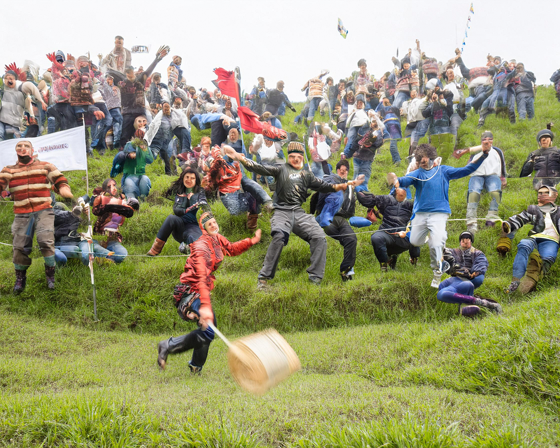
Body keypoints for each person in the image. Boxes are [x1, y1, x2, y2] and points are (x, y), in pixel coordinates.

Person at [224, 142, 359, 287]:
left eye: (298, 157)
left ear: (302, 158)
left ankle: (315, 279)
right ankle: (263, 279)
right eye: (292, 156)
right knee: (279, 237)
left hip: (300, 213)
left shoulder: (307, 175)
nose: (295, 159)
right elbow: (259, 168)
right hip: (281, 211)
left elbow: (325, 186)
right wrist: (239, 157)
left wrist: (344, 185)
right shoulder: (280, 169)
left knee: (319, 237)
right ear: (288, 157)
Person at [156, 212, 261, 373]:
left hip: (200, 290)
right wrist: (204, 306)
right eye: (209, 224)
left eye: (214, 222)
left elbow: (231, 248)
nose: (213, 225)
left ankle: (195, 366)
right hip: (190, 291)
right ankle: (169, 345)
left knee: (208, 329)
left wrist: (251, 241)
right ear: (203, 228)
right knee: (209, 329)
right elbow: (200, 277)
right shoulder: (201, 247)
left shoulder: (217, 239)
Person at [390, 143, 490, 287]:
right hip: (420, 214)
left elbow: (467, 169)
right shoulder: (418, 173)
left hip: (439, 213)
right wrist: (397, 181)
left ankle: (438, 270)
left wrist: (483, 155)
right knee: (415, 241)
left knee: (436, 243)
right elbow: (406, 180)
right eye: (420, 161)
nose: (423, 163)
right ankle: (435, 236)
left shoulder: (444, 171)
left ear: (431, 157)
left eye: (424, 160)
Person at [0, 140, 73, 292]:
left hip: (43, 210)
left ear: (32, 151)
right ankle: (20, 279)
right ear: (16, 151)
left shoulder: (45, 166)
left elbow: (59, 179)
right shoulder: (9, 170)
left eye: (26, 146)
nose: (22, 148)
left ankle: (50, 276)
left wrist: (64, 189)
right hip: (21, 213)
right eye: (19, 146)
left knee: (45, 240)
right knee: (19, 246)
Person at [502, 185, 560, 294]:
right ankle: (515, 281)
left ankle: (534, 279)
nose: (541, 195)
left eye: (545, 193)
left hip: (551, 240)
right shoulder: (533, 209)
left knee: (548, 258)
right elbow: (520, 218)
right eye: (539, 192)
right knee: (523, 244)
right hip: (534, 237)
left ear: (553, 196)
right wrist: (508, 225)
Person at [314, 159, 364, 281]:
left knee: (351, 239)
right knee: (343, 237)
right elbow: (326, 183)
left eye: (345, 171)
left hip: (341, 218)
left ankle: (346, 272)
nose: (343, 173)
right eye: (341, 171)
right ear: (337, 171)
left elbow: (353, 206)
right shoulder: (330, 179)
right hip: (327, 215)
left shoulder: (351, 187)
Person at [205, 146, 272, 230]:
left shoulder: (232, 160)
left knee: (251, 187)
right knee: (236, 211)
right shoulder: (217, 162)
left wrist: (238, 157)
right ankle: (255, 209)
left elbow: (234, 157)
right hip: (228, 190)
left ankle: (259, 210)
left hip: (236, 178)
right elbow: (212, 168)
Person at [116, 45, 169, 149]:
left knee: (144, 131)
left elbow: (148, 71)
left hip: (140, 111)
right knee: (126, 133)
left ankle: (144, 149)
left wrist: (157, 59)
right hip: (127, 112)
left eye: (132, 73)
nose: (130, 76)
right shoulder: (122, 83)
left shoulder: (140, 81)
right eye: (128, 74)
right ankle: (124, 150)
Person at [437, 231, 501, 316]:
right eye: (463, 239)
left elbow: (481, 265)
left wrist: (471, 273)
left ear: (471, 240)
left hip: (465, 282)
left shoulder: (477, 253)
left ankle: (474, 303)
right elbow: (445, 258)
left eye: (467, 238)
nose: (465, 241)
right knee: (441, 292)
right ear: (460, 241)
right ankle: (476, 301)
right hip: (452, 281)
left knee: (442, 294)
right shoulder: (453, 252)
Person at [455, 131, 507, 233]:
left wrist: (503, 177)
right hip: (477, 175)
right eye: (485, 139)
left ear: (493, 140)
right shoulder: (476, 150)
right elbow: (469, 163)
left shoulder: (497, 151)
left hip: (492, 175)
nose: (487, 141)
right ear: (481, 140)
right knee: (473, 193)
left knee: (495, 192)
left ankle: (491, 218)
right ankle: (471, 222)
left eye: (490, 139)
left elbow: (502, 163)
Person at [147, 169, 207, 256]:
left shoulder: (200, 191)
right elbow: (176, 210)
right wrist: (185, 208)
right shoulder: (179, 191)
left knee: (196, 241)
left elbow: (202, 204)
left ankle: (187, 248)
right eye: (187, 177)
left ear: (196, 180)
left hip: (194, 226)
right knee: (171, 218)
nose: (189, 180)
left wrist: (192, 198)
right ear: (183, 178)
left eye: (192, 178)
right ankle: (154, 250)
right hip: (180, 226)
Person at [357, 187, 419, 271]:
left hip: (403, 238)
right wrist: (358, 191)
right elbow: (370, 200)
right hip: (386, 234)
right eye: (400, 188)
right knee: (376, 238)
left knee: (416, 236)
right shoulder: (386, 199)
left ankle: (414, 261)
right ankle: (384, 265)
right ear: (396, 190)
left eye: (404, 189)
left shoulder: (411, 204)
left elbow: (425, 209)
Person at [91, 178, 136, 263]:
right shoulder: (100, 198)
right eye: (110, 186)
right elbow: (96, 211)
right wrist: (111, 207)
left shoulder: (122, 201)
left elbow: (129, 213)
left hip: (112, 239)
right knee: (95, 247)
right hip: (99, 236)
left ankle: (105, 258)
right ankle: (103, 256)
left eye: (114, 185)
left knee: (122, 254)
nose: (113, 188)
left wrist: (118, 206)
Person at [121, 132, 154, 200]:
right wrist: (129, 155)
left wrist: (145, 149)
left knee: (145, 180)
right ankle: (131, 199)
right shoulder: (129, 144)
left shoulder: (145, 147)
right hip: (129, 175)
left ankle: (142, 197)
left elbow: (150, 160)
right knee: (129, 185)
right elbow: (122, 156)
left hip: (140, 174)